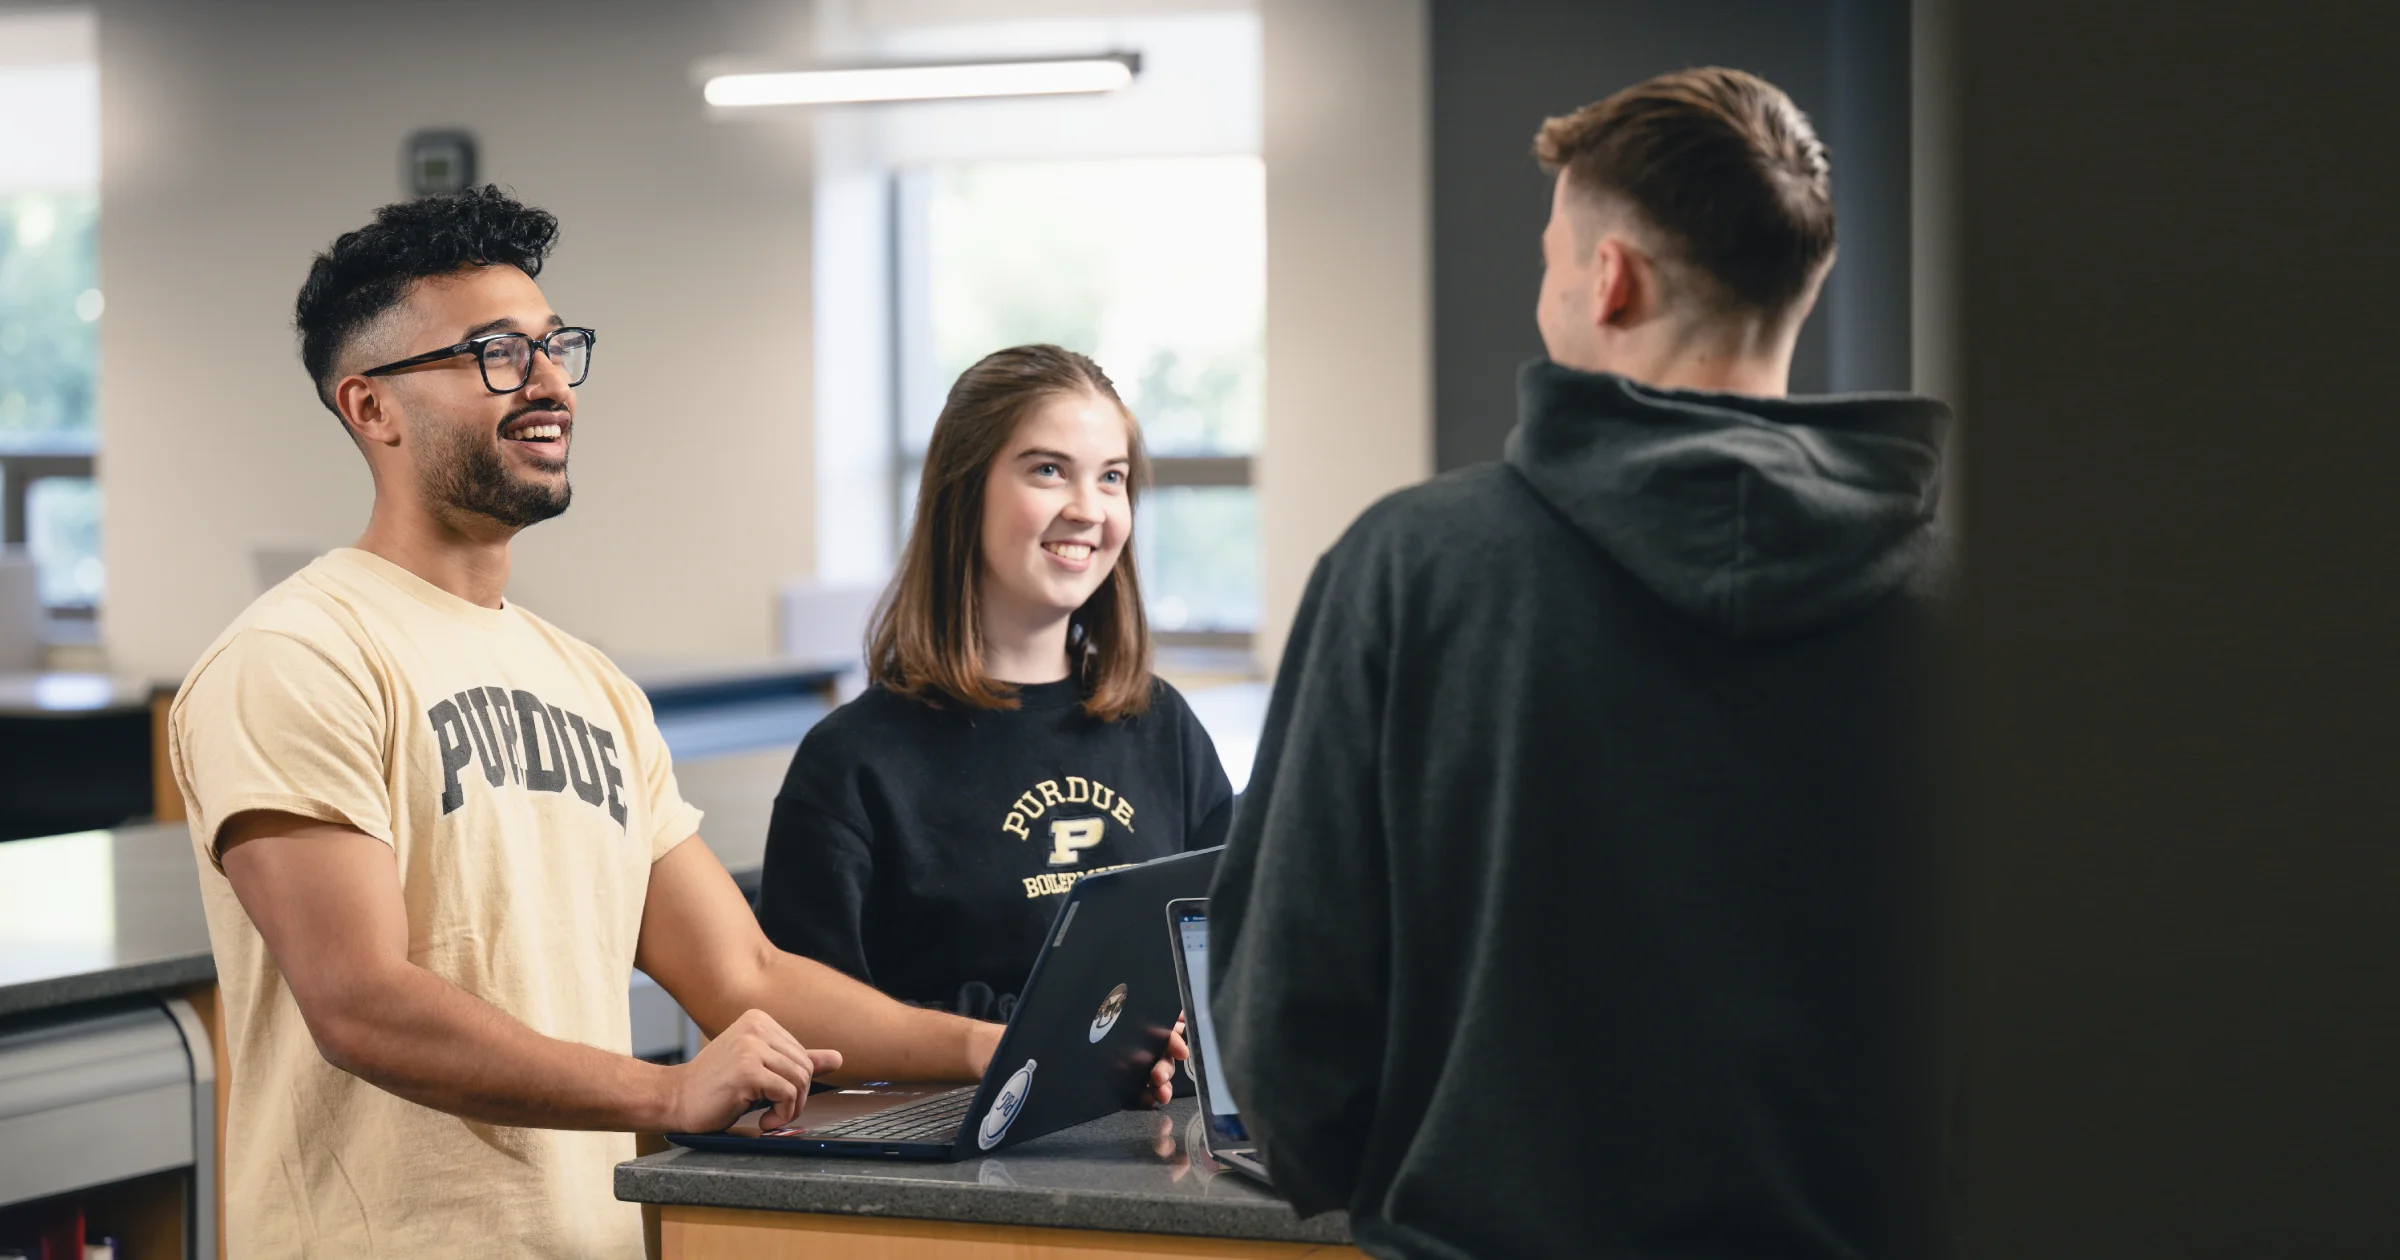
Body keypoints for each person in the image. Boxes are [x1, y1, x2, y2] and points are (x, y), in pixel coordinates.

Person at [169, 192, 1177, 1259]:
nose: (550, 383)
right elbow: (360, 1003)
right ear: (372, 408)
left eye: (555, 349)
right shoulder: (295, 657)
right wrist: (666, 1089)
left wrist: (1001, 1045)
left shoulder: (589, 686)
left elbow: (746, 975)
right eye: (497, 355)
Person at [1208, 68, 1950, 1258]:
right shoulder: (1955, 600)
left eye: (1552, 256)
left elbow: (1293, 1040)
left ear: (1610, 279)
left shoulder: (1411, 569)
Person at [756, 344, 1234, 1021]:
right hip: (941, 1126)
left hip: (1153, 1124)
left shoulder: (1164, 727)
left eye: (1111, 478)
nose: (1089, 509)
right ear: (964, 487)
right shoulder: (851, 766)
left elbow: (1230, 967)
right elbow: (812, 1032)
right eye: (1048, 470)